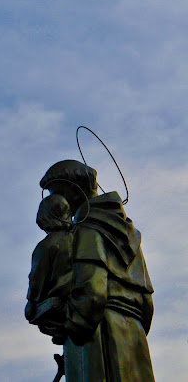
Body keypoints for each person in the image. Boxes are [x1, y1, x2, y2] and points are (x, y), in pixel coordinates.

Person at [39, 160, 155, 382]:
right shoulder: (130, 234)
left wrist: (70, 328)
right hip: (134, 332)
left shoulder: (86, 229)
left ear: (73, 191)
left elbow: (91, 292)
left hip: (98, 333)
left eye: (57, 193)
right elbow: (146, 299)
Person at [25, 194, 74, 345]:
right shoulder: (79, 238)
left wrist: (31, 302)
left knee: (31, 315)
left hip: (58, 302)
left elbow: (36, 280)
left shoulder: (46, 246)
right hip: (77, 297)